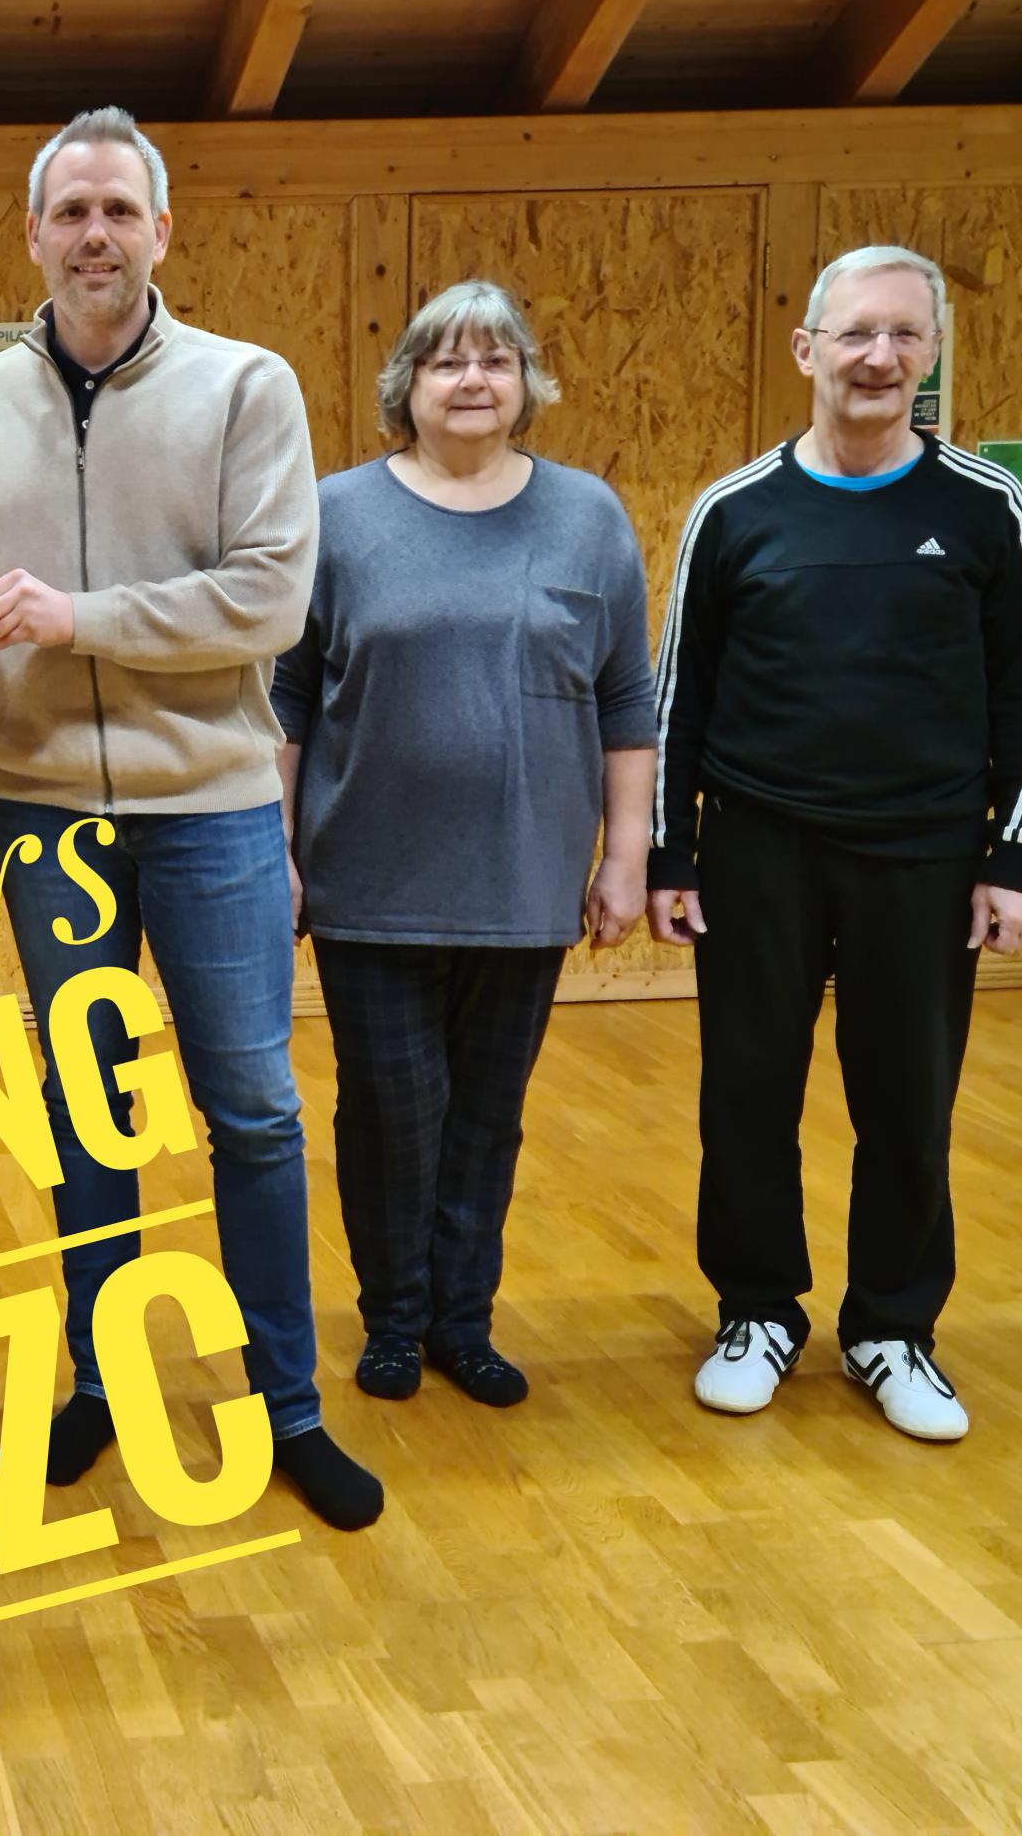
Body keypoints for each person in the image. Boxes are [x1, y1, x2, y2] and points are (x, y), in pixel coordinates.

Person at [0, 106, 383, 1532]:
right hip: (39, 810)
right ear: (32, 235)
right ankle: (103, 1383)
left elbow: (268, 598)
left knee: (250, 1108)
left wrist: (76, 618)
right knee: (84, 1114)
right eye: (70, 211)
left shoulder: (247, 386)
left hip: (211, 810)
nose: (95, 234)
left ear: (161, 231)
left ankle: (285, 1402)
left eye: (119, 209)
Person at [651, 244, 1022, 1442]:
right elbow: (679, 697)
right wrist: (672, 852)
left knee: (907, 1104)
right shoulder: (734, 511)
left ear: (929, 354)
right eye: (855, 333)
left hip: (924, 860)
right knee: (745, 1096)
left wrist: (1015, 858)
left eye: (902, 335)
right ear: (807, 350)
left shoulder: (984, 506)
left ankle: (892, 1326)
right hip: (757, 853)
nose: (878, 356)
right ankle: (755, 1311)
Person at [272, 280, 655, 1411]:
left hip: (524, 880)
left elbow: (625, 696)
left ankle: (462, 1321)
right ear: (408, 386)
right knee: (391, 1111)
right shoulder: (337, 513)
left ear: (527, 382)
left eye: (496, 359)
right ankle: (392, 1319)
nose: (473, 379)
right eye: (447, 361)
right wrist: (273, 846)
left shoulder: (587, 516)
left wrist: (624, 853)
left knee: (487, 1117)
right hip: (367, 878)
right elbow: (285, 695)